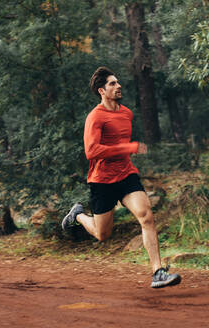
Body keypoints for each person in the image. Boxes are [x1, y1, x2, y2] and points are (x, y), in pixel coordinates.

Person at [62, 66, 181, 288]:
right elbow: (91, 151)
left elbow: (120, 146)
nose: (118, 86)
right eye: (112, 84)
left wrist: (126, 149)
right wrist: (127, 147)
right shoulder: (95, 117)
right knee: (102, 234)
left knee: (146, 216)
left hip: (126, 175)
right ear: (101, 91)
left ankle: (157, 272)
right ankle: (78, 215)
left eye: (118, 83)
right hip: (102, 181)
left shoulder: (127, 113)